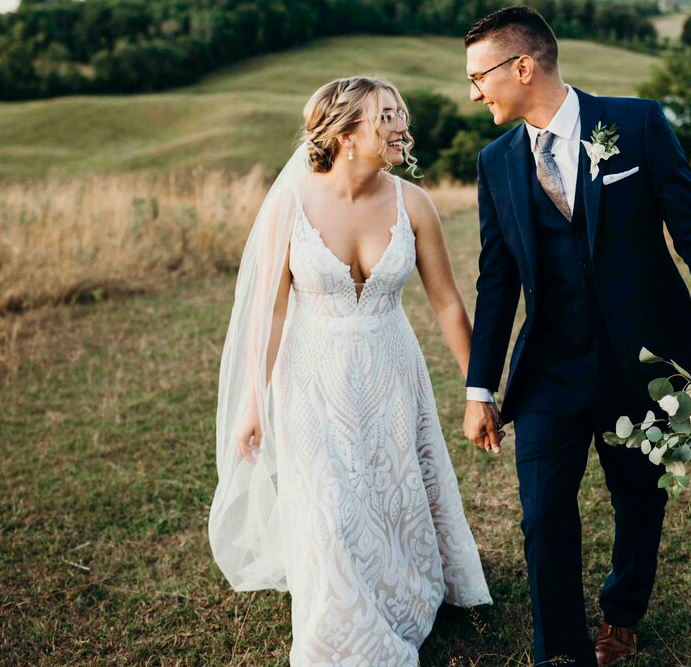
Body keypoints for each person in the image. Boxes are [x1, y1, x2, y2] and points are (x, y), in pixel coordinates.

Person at [460, 7, 691, 666]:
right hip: (549, 370)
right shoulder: (495, 163)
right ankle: (560, 652)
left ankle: (622, 614)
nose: (474, 92)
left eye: (479, 76)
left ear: (523, 67)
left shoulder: (638, 124)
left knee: (638, 502)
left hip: (640, 364)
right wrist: (481, 387)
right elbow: (496, 282)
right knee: (543, 515)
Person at [209, 76, 491, 667]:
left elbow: (446, 302)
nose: (400, 125)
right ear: (344, 133)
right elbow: (271, 310)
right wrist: (253, 401)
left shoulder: (414, 203)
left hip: (392, 371)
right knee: (330, 504)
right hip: (312, 377)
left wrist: (478, 389)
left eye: (399, 113)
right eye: (385, 116)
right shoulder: (291, 205)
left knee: (393, 493)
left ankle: (404, 591)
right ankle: (341, 622)